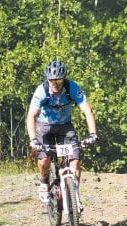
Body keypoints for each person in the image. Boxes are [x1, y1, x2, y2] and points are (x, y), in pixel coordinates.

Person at [27, 60, 98, 203]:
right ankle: (44, 182)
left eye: (58, 80)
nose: (54, 83)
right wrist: (33, 139)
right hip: (45, 126)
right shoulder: (41, 90)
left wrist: (93, 133)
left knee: (75, 161)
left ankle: (73, 193)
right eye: (51, 79)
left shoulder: (72, 87)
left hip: (65, 126)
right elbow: (31, 116)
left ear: (63, 78)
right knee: (45, 158)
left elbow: (87, 110)